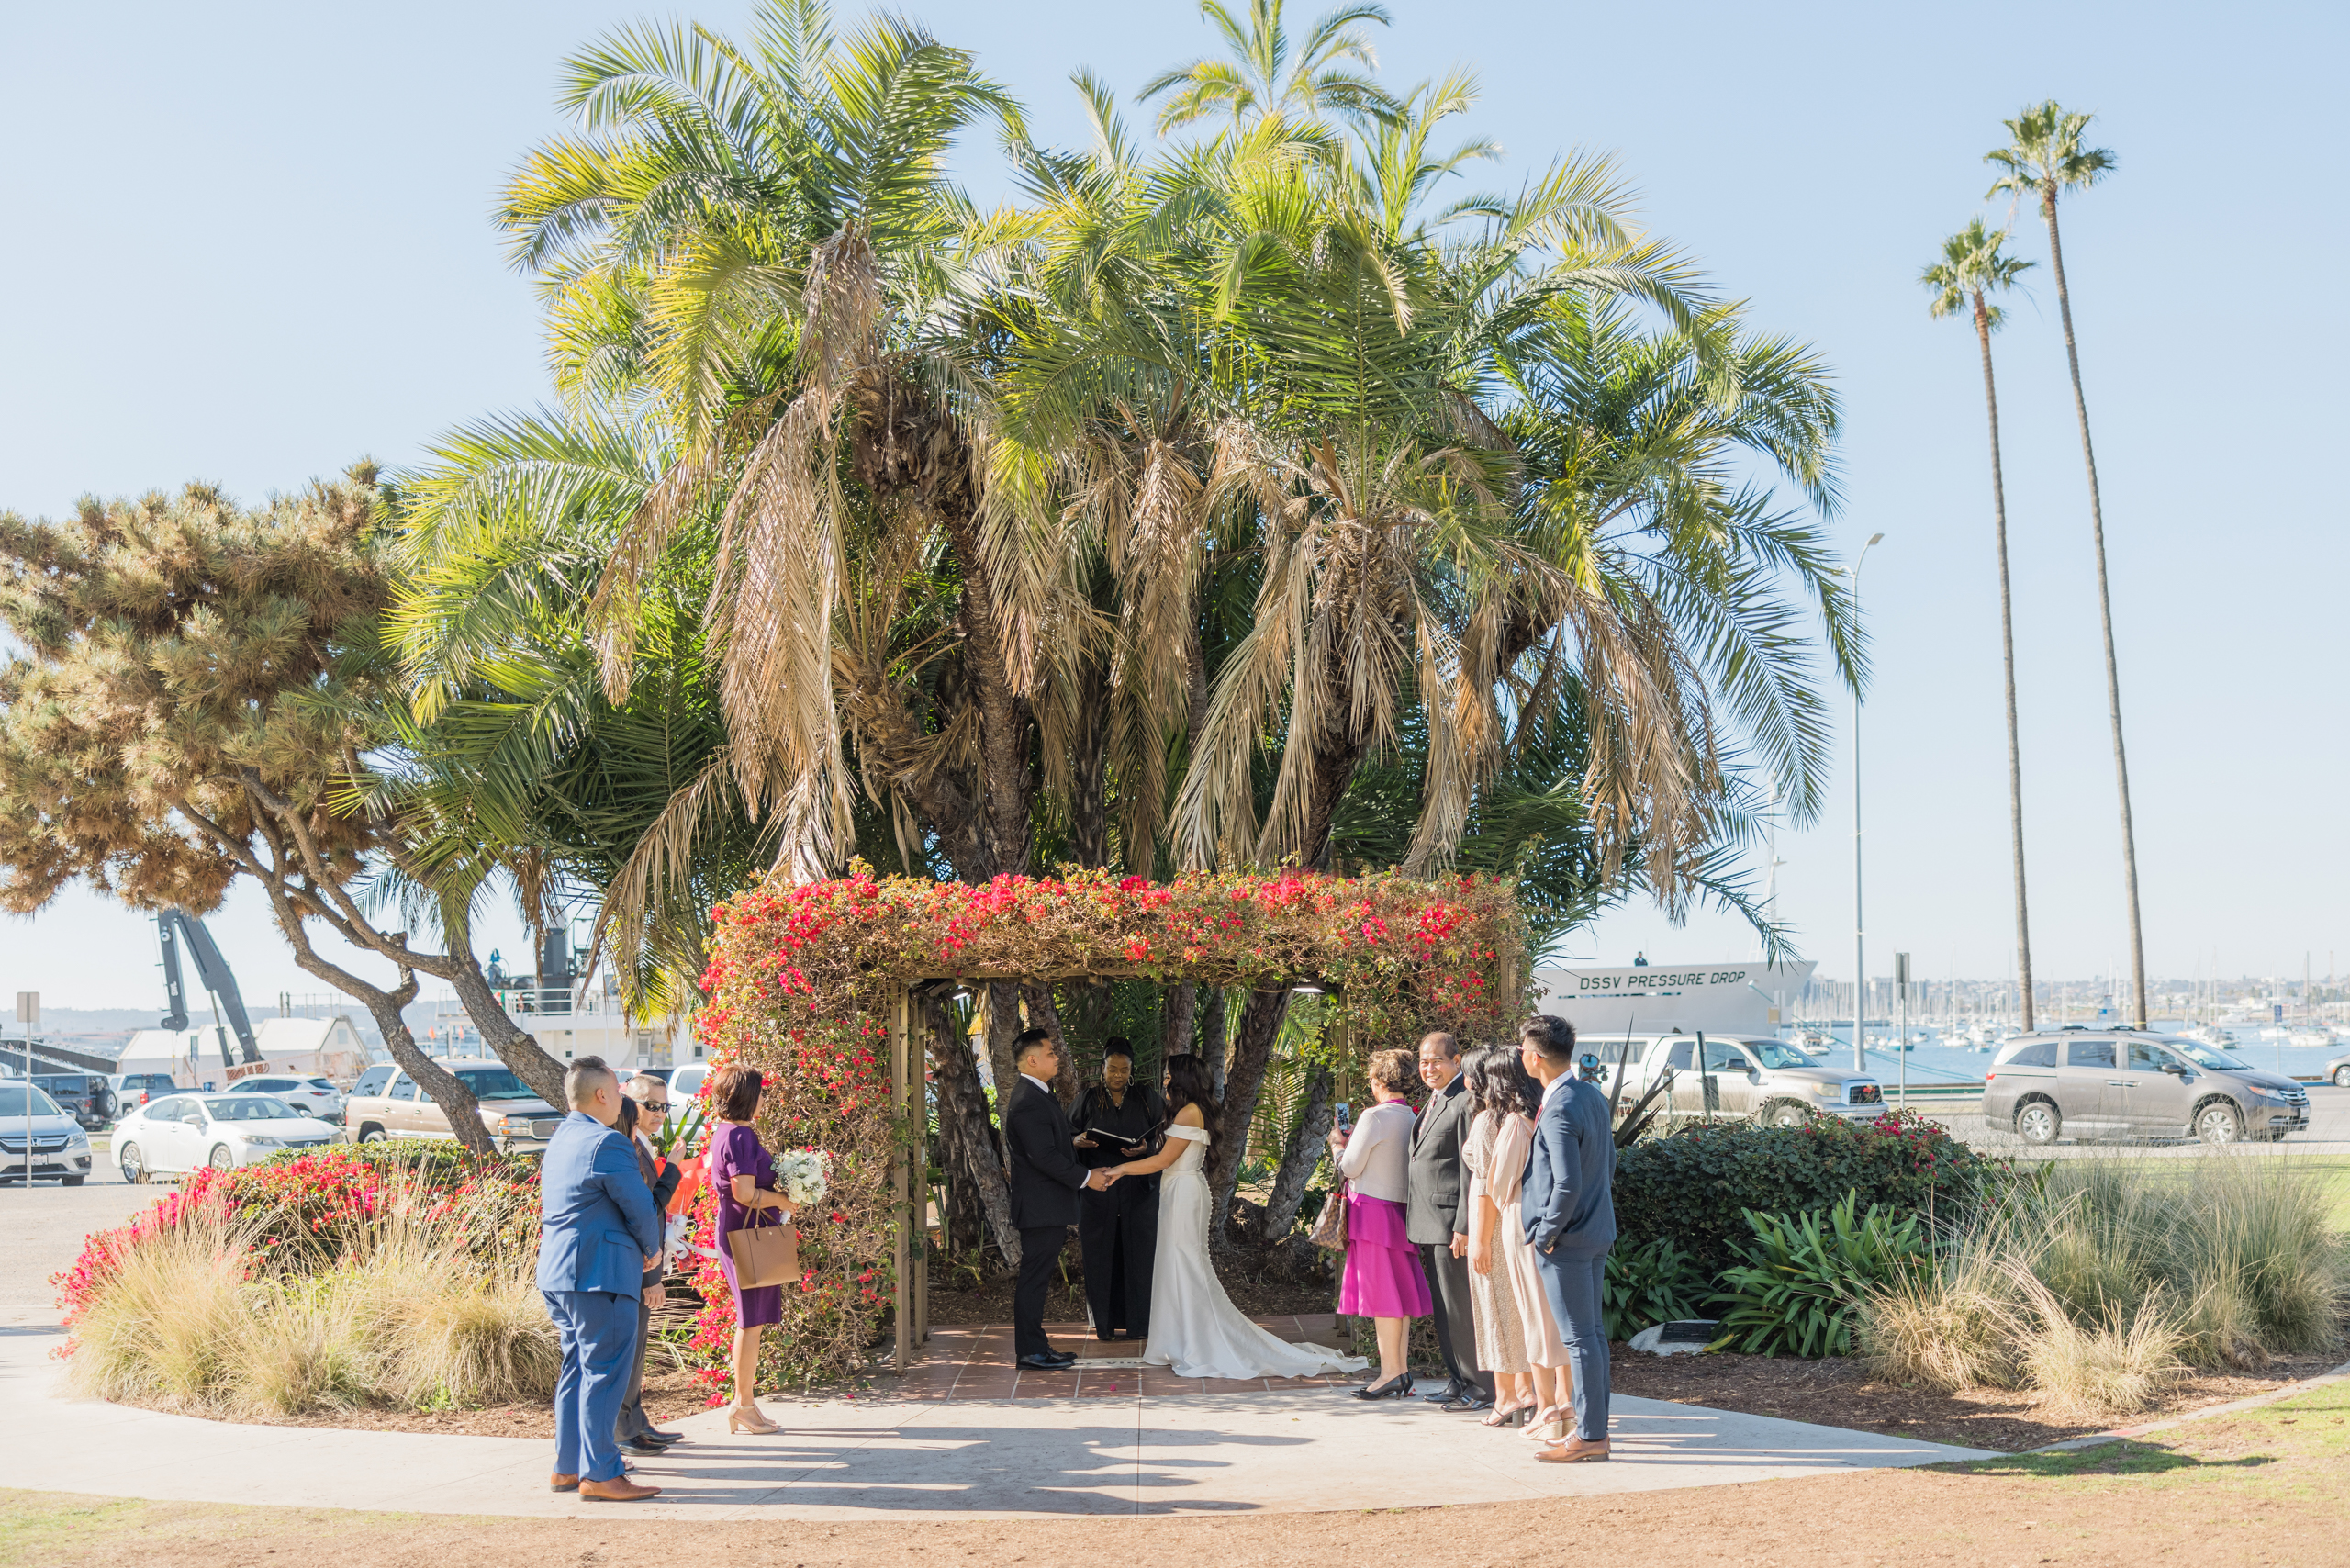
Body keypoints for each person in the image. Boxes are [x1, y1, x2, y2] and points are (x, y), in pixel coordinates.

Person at [1107, 1053, 1363, 1380]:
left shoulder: (1187, 1112)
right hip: (1182, 1189)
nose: (1166, 1081)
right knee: (1177, 1262)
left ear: (1184, 1080)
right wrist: (1143, 1152)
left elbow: (1162, 1162)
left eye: (1170, 1076)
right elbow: (1168, 1154)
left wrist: (1119, 1169)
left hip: (1184, 1192)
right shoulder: (1191, 1111)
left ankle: (1196, 1341)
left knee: (1185, 1263)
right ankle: (1178, 1339)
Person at [536, 1056, 665, 1502]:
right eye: (620, 1091)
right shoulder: (606, 1142)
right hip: (600, 1274)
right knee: (605, 1374)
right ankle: (601, 1473)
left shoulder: (560, 1138)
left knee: (576, 1371)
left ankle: (567, 1467)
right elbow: (640, 1208)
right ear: (603, 1095)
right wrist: (653, 1251)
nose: (624, 1101)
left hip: (559, 1273)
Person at [1518, 1014, 1618, 1463]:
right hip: (1594, 1232)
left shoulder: (1560, 1105)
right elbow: (1607, 1167)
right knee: (1592, 1337)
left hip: (1568, 1240)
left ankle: (1591, 1434)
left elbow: (1566, 1183)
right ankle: (1593, 1428)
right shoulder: (1591, 1095)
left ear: (1535, 1057)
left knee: (1580, 1339)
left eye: (1523, 1049)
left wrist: (1546, 1232)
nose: (1521, 1055)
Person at [1004, 1027, 1118, 1370]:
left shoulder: (1039, 1093)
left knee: (1037, 1277)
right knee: (1034, 1278)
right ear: (1033, 1059)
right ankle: (1029, 1351)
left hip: (1047, 1206)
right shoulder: (1026, 1100)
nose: (1057, 1057)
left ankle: (1036, 1346)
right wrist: (1087, 1177)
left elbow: (1049, 1145)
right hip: (1040, 1208)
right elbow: (1042, 1157)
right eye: (1051, 1053)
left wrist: (1073, 1143)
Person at [1328, 1047, 1430, 1398]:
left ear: (1380, 1080)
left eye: (1372, 1078)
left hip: (1372, 1214)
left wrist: (1338, 1146)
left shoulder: (1374, 1117)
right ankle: (1399, 1371)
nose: (1370, 1085)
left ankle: (1389, 1373)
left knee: (1384, 1297)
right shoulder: (1412, 1116)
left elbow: (1350, 1167)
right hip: (1400, 1213)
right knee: (1397, 1297)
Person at [704, 1062, 793, 1433]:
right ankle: (743, 1404)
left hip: (737, 1230)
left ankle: (744, 1403)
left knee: (751, 1321)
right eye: (760, 1093)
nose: (764, 1100)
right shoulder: (741, 1136)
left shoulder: (725, 1132)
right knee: (751, 1322)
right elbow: (743, 1191)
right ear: (746, 1097)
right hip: (746, 1234)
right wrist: (784, 1201)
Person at [1407, 1031, 1493, 1412]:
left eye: (1436, 1061)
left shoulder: (1465, 1101)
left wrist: (1464, 1225)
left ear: (1457, 1061)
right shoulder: (1436, 1099)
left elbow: (1469, 1170)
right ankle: (1458, 1379)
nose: (1429, 1068)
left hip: (1450, 1225)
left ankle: (1480, 1385)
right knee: (1444, 1308)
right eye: (1424, 1062)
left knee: (1459, 1308)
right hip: (1430, 1222)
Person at [1459, 1047, 1534, 1428]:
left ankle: (1508, 1397)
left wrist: (1480, 1238)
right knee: (1511, 1313)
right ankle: (1522, 1393)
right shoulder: (1503, 1117)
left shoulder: (1487, 1119)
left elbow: (1486, 1185)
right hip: (1494, 1222)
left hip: (1490, 1224)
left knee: (1496, 1312)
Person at [1072, 1037, 1164, 1341]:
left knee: (1140, 1255)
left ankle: (1139, 1326)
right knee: (1100, 1255)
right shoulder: (1087, 1098)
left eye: (1124, 1070)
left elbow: (1167, 1137)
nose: (1118, 1076)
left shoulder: (1147, 1097)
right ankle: (1105, 1326)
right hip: (1099, 1192)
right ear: (1103, 1067)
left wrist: (1146, 1148)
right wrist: (1078, 1141)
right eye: (1112, 1069)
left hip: (1139, 1191)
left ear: (1132, 1070)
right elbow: (1064, 1134)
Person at [612, 1090, 685, 1453]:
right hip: (637, 1268)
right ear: (631, 1103)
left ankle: (636, 1422)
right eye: (651, 1105)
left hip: (641, 1264)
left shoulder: (640, 1145)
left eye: (664, 1106)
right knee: (630, 1351)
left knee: (638, 1351)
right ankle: (624, 1431)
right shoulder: (625, 1147)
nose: (659, 1113)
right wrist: (651, 1278)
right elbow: (647, 1211)